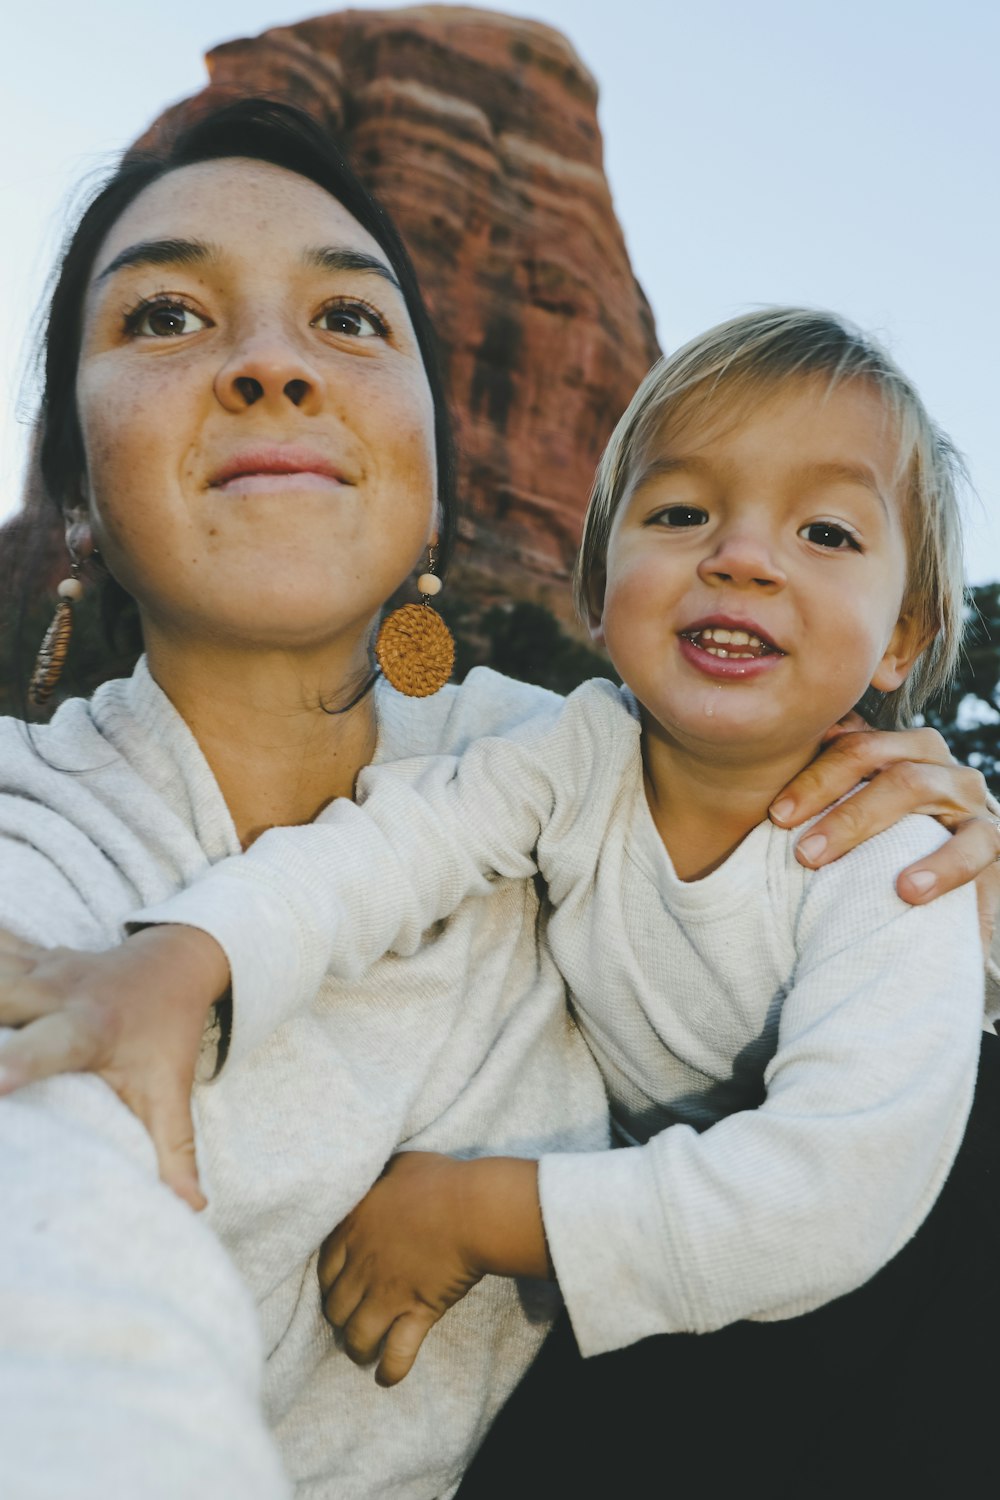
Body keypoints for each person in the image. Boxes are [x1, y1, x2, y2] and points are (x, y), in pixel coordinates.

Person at [0, 100, 995, 1497]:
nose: (273, 365)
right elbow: (49, 1266)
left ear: (433, 471)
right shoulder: (33, 843)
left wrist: (962, 881)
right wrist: (178, 966)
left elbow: (852, 1170)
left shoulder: (587, 752)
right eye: (166, 314)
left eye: (348, 322)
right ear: (69, 477)